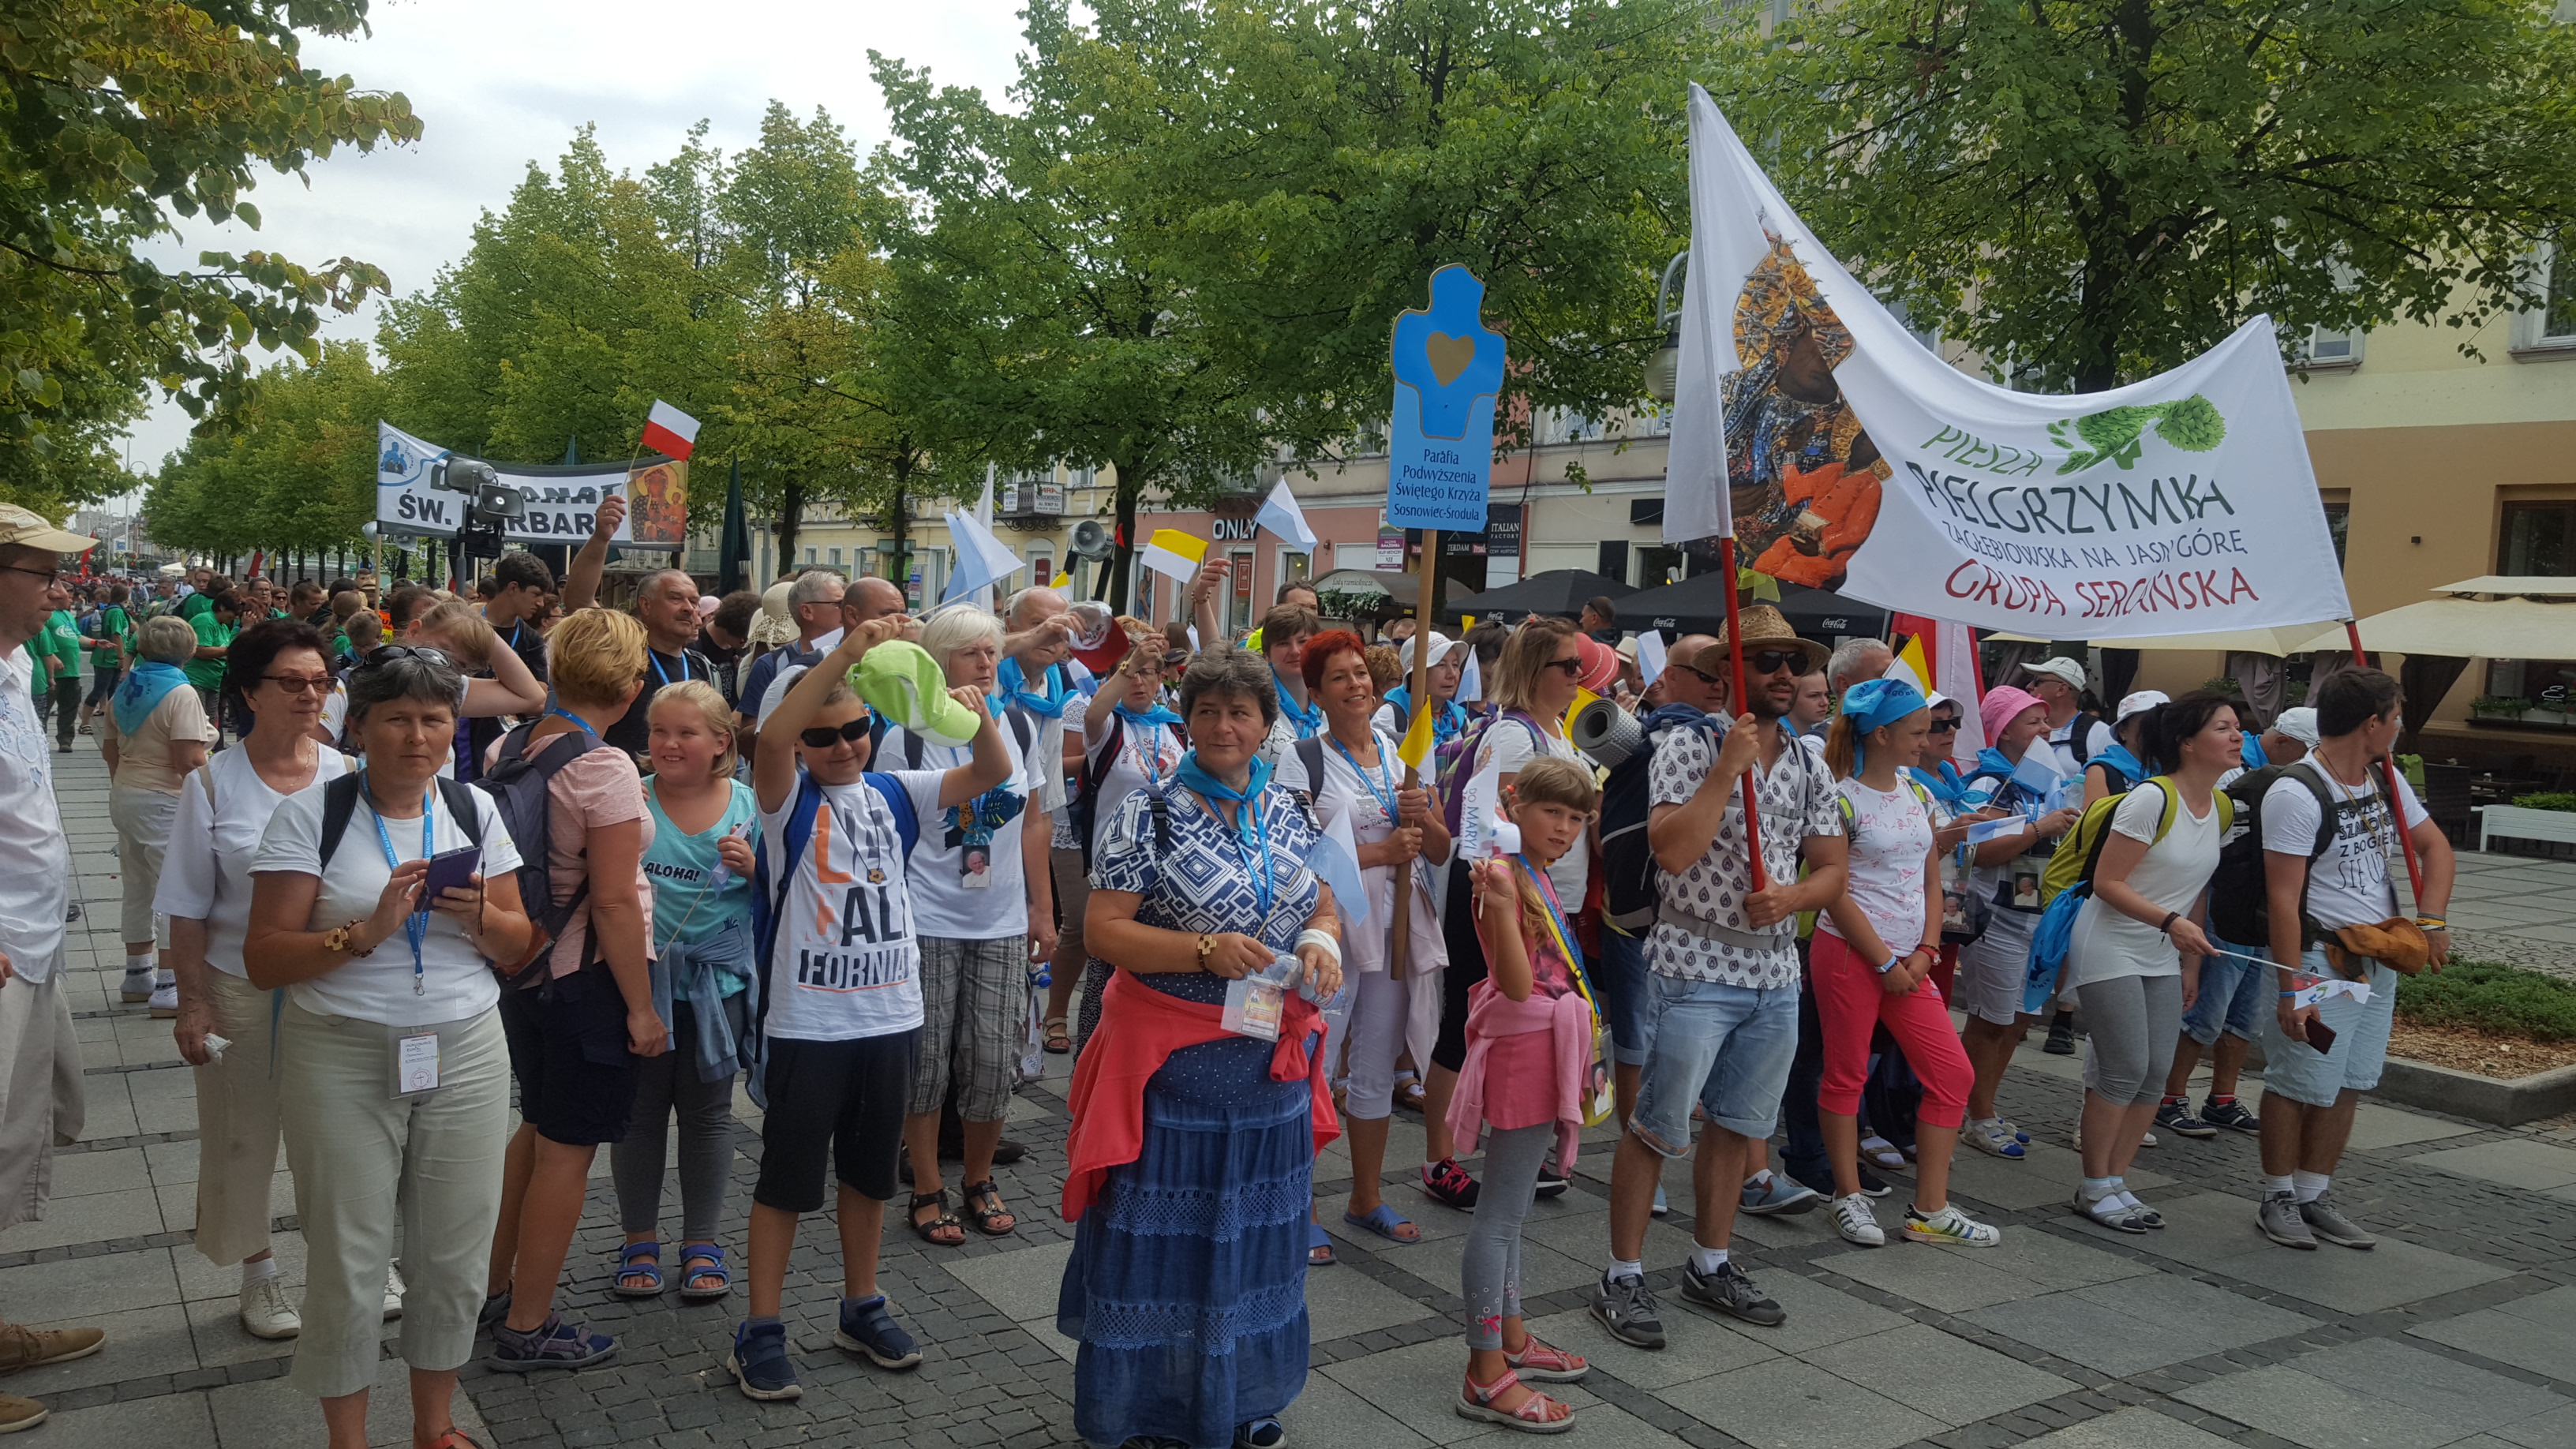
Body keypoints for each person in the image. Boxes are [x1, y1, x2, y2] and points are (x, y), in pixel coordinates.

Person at [245, 646, 534, 1449]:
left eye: (434, 720)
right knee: (349, 1255)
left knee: (455, 1250)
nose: (417, 737)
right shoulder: (312, 815)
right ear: (360, 727)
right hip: (340, 1050)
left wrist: (480, 916)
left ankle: (434, 1427)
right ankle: (349, 1438)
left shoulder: (475, 808)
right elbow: (264, 958)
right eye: (397, 719)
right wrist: (365, 931)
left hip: (465, 1048)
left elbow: (519, 945)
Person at [1061, 646, 1346, 1449]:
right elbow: (1102, 931)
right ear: (1188, 721)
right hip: (1172, 1075)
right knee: (1161, 1250)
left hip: (1268, 1071)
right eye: (1209, 711)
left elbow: (1324, 903)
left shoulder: (1291, 808)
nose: (1224, 726)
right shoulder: (1146, 811)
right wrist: (1200, 950)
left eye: (1240, 713)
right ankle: (1144, 1415)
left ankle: (1243, 1403)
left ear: (1264, 724)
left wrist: (1322, 940)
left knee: (1256, 1245)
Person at [725, 620, 1012, 1401]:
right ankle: (760, 1329)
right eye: (823, 736)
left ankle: (862, 1306)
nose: (843, 746)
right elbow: (772, 738)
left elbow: (993, 769)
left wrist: (977, 711)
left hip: (890, 1017)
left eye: (855, 729)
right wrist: (844, 657)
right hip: (808, 1025)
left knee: (868, 1177)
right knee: (787, 1183)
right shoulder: (786, 801)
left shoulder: (894, 790)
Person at [1591, 605, 1844, 1349]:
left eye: (1793, 662)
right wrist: (1727, 768)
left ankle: (1710, 1262)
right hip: (1694, 964)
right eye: (1767, 662)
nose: (1784, 674)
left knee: (1739, 1127)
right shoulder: (1687, 745)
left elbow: (1833, 869)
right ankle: (1621, 1276)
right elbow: (1671, 849)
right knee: (1657, 1128)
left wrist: (1792, 897)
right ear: (1731, 673)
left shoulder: (1808, 762)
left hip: (1775, 971)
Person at [159, 620, 372, 1339]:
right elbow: (187, 905)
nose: (311, 694)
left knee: (345, 1132)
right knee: (242, 1134)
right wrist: (192, 1004)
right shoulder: (213, 783)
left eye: (321, 681)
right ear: (250, 693)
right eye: (291, 682)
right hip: (239, 985)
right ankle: (259, 1275)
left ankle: (357, 1262)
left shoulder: (349, 775)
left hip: (334, 978)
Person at [481, 608, 670, 1370]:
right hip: (587, 978)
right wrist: (642, 1008)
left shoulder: (511, 745)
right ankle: (528, 1325)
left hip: (524, 969)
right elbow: (616, 901)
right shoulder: (605, 766)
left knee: (534, 1128)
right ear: (631, 687)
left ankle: (493, 1285)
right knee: (568, 1148)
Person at [2256, 668, 2453, 1251]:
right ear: (2372, 723)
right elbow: (2282, 899)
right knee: (2299, 1080)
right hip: (2320, 958)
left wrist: (2432, 921)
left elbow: (2435, 846)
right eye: (2396, 717)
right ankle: (2278, 1196)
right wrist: (2291, 986)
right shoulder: (2296, 792)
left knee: (2350, 1080)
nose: (2399, 728)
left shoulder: (2383, 776)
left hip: (2377, 955)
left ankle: (2314, 1193)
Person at [1277, 630, 1451, 1252]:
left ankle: (1366, 1197)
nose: (1356, 684)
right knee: (1314, 1068)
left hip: (1396, 929)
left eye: (1360, 673)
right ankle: (1297, 1204)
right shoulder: (1302, 759)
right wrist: (1381, 851)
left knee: (1375, 1067)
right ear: (1318, 693)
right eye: (1339, 677)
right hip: (1333, 930)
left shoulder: (1404, 752)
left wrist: (1423, 814)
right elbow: (1294, 852)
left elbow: (1439, 850)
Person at [882, 607, 1050, 1247]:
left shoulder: (1017, 724)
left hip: (1000, 920)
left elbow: (1033, 821)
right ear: (938, 661)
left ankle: (978, 1178)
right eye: (970, 653)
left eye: (992, 652)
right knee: (926, 1061)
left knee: (991, 1060)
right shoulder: (907, 733)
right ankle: (927, 1185)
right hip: (926, 917)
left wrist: (1042, 908)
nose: (986, 664)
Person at [1813, 677, 1997, 1248]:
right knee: (1846, 1074)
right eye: (1918, 731)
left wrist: (1927, 950)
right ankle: (1847, 1196)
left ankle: (1931, 1209)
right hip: (1849, 953)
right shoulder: (1838, 797)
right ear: (1882, 734)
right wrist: (1884, 960)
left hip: (1910, 959)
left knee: (1953, 1074)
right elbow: (1833, 889)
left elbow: (1931, 878)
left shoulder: (1918, 791)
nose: (1928, 739)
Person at [1444, 758, 1597, 1430]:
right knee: (1500, 1216)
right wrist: (1503, 908)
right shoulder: (1503, 877)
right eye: (1551, 812)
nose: (1563, 827)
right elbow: (1512, 982)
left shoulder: (1527, 870)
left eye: (1576, 817)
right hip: (1527, 1048)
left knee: (1512, 1211)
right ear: (1516, 805)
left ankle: (1509, 1336)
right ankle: (1484, 1372)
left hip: (1541, 1044)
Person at [1422, 617, 1594, 1212]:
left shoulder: (1555, 729)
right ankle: (1440, 1157)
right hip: (1505, 895)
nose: (1579, 675)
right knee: (1469, 1022)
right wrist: (1514, 898)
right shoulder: (1517, 735)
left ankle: (1515, 1145)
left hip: (1542, 897)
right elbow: (1495, 828)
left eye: (1579, 665)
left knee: (1521, 1024)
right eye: (1567, 666)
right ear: (1535, 670)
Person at [0, 513, 108, 1436]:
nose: (60, 590)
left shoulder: (17, 668)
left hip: (31, 946)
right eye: (43, 573)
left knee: (21, 1135)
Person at [2061, 691, 2238, 1233]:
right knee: (2123, 1069)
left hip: (2162, 950)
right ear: (2187, 743)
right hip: (2110, 943)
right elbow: (2107, 882)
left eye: (2236, 726)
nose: (2237, 736)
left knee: (2155, 1074)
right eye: (2223, 728)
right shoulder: (2150, 799)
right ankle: (2093, 1187)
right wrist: (2170, 922)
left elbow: (2198, 887)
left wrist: (2190, 961)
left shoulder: (2222, 806)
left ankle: (2116, 1181)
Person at [613, 680, 758, 1302]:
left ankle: (702, 1241)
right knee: (639, 1116)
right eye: (659, 731)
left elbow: (783, 898)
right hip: (636, 984)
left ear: (721, 741)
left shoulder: (749, 806)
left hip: (715, 988)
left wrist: (757, 870)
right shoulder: (631, 799)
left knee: (708, 1115)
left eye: (686, 733)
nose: (668, 744)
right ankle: (638, 1240)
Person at [2159, 706, 2323, 1139]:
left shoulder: (2283, 778)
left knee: (2246, 1015)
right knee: (2206, 1011)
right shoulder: (2230, 773)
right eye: (2308, 752)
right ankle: (2170, 1097)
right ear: (2285, 743)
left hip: (2264, 912)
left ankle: (2222, 1099)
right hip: (2225, 908)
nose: (2312, 764)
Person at [1952, 684, 2080, 1158]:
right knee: (1990, 1021)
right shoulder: (1990, 783)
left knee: (2016, 1021)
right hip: (1996, 920)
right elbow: (1977, 852)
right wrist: (2040, 828)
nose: (2046, 729)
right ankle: (1974, 1115)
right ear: (2004, 731)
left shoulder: (2045, 784)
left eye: (2046, 721)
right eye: (2033, 722)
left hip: (2034, 921)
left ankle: (1983, 1105)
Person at [1061, 621, 1187, 1047]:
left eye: (1148, 672)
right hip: (1117, 866)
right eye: (1130, 672)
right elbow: (1093, 714)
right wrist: (1129, 663)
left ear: (1161, 678)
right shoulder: (1107, 726)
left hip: (1168, 864)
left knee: (1153, 968)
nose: (1139, 681)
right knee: (1107, 970)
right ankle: (1092, 1056)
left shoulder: (1175, 727)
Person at [103, 615, 215, 1013]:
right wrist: (213, 798)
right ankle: (169, 986)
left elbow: (110, 750)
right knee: (174, 892)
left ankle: (137, 975)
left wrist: (125, 785)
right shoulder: (181, 693)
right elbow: (189, 760)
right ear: (189, 651)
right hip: (164, 799)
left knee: (137, 887)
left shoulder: (126, 688)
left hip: (127, 794)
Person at [736, 568, 847, 741]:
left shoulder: (854, 657)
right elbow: (749, 736)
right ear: (807, 611)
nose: (847, 610)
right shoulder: (770, 665)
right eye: (838, 604)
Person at [1372, 631, 1469, 748]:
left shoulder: (1460, 719)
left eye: (1455, 665)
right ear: (1416, 674)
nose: (1452, 674)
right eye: (1441, 665)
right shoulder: (1391, 717)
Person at [2019, 656, 2114, 769]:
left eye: (2038, 682)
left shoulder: (2099, 733)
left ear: (2061, 690)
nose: (2029, 686)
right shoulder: (2023, 728)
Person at [29, 577, 83, 752]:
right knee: (43, 708)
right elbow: (41, 640)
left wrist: (95, 643)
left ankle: (65, 740)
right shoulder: (47, 615)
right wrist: (53, 657)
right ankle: (40, 739)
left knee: (70, 708)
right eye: (70, 596)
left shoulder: (68, 615)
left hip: (71, 670)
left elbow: (76, 636)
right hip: (50, 672)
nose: (72, 600)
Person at [77, 581, 132, 738]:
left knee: (112, 692)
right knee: (99, 690)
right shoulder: (117, 612)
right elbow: (117, 635)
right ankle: (85, 723)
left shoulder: (115, 610)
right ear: (125, 596)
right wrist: (121, 657)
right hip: (108, 657)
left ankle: (110, 723)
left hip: (108, 657)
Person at [187, 591, 242, 735]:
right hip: (197, 678)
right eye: (233, 612)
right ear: (222, 607)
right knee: (198, 721)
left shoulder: (223, 626)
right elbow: (200, 650)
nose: (234, 617)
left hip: (213, 681)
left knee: (211, 722)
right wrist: (229, 651)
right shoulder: (205, 620)